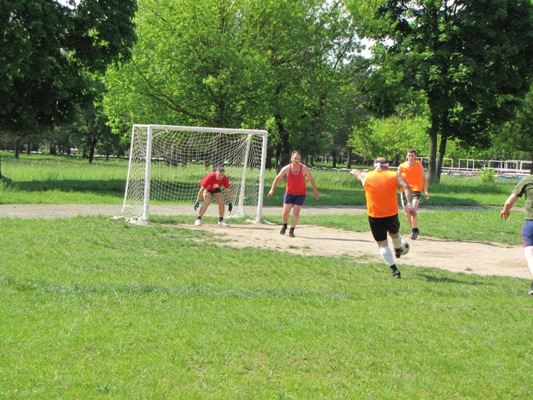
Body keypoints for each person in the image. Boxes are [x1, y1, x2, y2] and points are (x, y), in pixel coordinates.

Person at [350, 157, 416, 279]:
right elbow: (406, 187)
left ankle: (395, 271)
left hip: (375, 215)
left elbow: (358, 173)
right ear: (388, 166)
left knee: (382, 244)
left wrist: (354, 171)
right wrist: (410, 206)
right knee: (395, 234)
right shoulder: (394, 175)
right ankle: (397, 248)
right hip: (392, 214)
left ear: (375, 166)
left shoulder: (367, 176)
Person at [268, 151, 320, 237]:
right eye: (295, 158)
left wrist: (315, 190)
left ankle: (292, 230)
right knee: (285, 212)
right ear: (291, 159)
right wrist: (272, 189)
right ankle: (284, 225)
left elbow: (311, 179)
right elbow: (278, 178)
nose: (297, 160)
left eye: (299, 159)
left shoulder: (304, 169)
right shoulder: (286, 168)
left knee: (296, 212)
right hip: (289, 193)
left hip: (301, 193)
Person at [500, 175, 533, 296]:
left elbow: (509, 202)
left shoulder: (527, 180)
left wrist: (506, 210)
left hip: (531, 224)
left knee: (531, 257)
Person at [398, 148, 430, 240]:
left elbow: (424, 179)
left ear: (415, 156)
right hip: (405, 191)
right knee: (407, 212)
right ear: (407, 156)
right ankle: (414, 229)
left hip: (416, 190)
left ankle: (414, 229)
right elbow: (396, 177)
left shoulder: (418, 165)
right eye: (409, 155)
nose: (410, 157)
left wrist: (426, 190)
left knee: (412, 210)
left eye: (412, 155)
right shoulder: (402, 166)